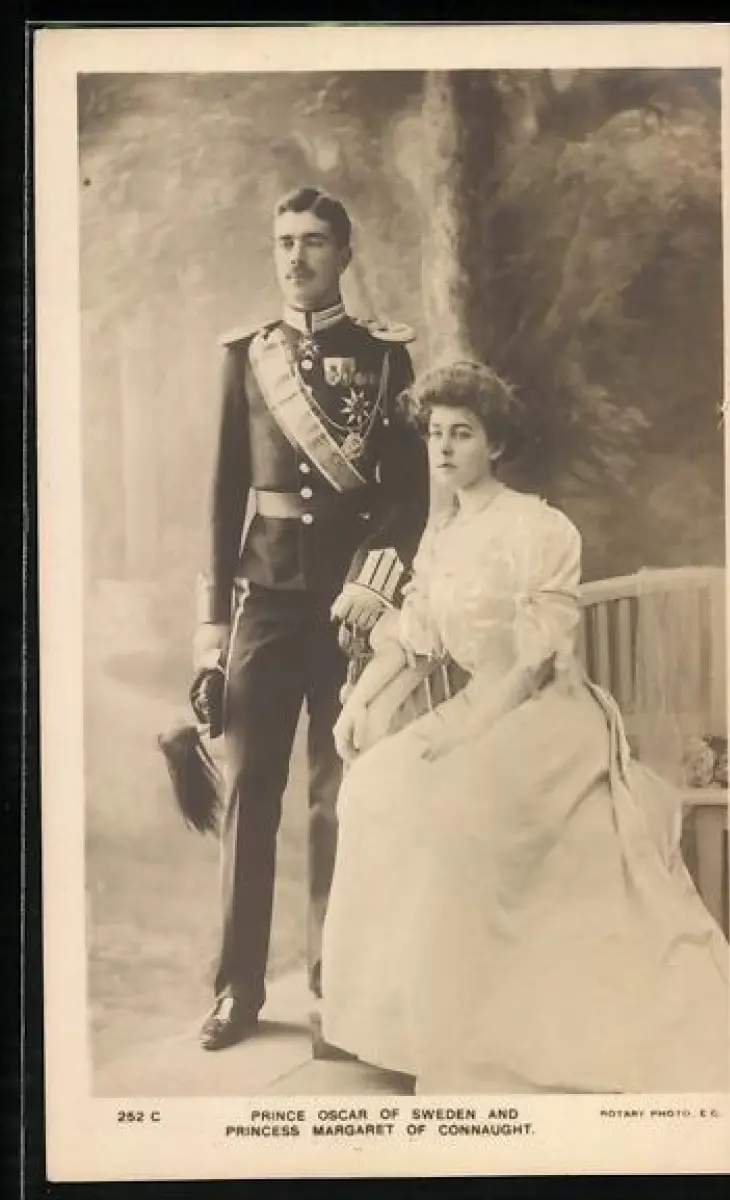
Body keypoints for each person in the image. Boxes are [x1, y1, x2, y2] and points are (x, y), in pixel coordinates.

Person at [321, 360, 730, 1094]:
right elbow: (415, 639)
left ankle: (478, 1033)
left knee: (457, 804)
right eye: (435, 434)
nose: (444, 448)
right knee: (374, 785)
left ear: (496, 444)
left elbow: (535, 663)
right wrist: (360, 705)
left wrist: (463, 737)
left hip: (547, 716)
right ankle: (402, 1027)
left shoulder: (540, 528)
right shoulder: (442, 535)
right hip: (476, 706)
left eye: (462, 433)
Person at [193, 186, 429, 1052]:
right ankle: (237, 989)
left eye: (314, 242)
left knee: (338, 798)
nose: (296, 256)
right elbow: (223, 498)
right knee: (251, 793)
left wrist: (373, 583)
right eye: (285, 242)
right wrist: (211, 632)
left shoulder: (384, 357)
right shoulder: (243, 357)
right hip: (264, 602)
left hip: (348, 612)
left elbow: (407, 497)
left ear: (344, 254)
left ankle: (337, 987)